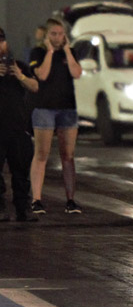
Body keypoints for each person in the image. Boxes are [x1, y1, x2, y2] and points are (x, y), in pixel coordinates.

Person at [28, 18, 83, 215]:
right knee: (42, 154)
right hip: (45, 108)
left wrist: (67, 51)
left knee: (68, 156)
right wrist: (50, 51)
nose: (58, 37)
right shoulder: (38, 52)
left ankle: (71, 200)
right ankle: (36, 200)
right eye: (54, 34)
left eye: (61, 34)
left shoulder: (70, 52)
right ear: (47, 35)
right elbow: (42, 75)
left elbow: (77, 73)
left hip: (67, 109)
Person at [0, 27, 39, 221]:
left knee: (21, 171)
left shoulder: (19, 65)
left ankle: (23, 209)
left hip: (18, 127)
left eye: (1, 41)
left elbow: (35, 86)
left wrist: (20, 75)